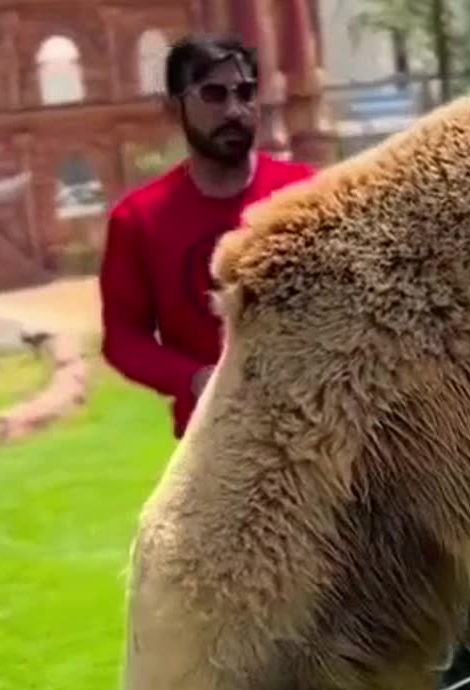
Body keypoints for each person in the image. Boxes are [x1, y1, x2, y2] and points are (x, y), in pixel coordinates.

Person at [99, 33, 316, 438]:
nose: (234, 109)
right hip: (213, 444)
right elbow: (124, 340)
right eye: (213, 95)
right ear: (173, 108)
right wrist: (197, 380)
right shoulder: (138, 220)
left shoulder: (309, 194)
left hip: (320, 431)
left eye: (246, 93)